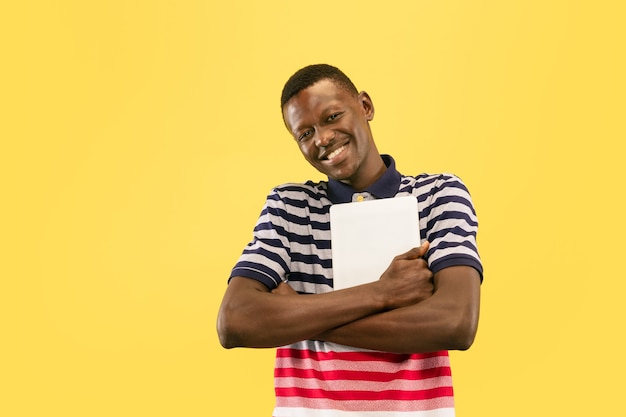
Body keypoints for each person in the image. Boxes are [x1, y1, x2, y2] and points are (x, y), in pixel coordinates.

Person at [217, 64, 483, 417]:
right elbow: (235, 322)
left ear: (366, 106)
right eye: (305, 133)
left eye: (332, 117)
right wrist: (382, 293)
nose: (322, 138)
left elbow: (456, 322)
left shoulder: (438, 195)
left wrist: (299, 312)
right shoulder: (288, 205)